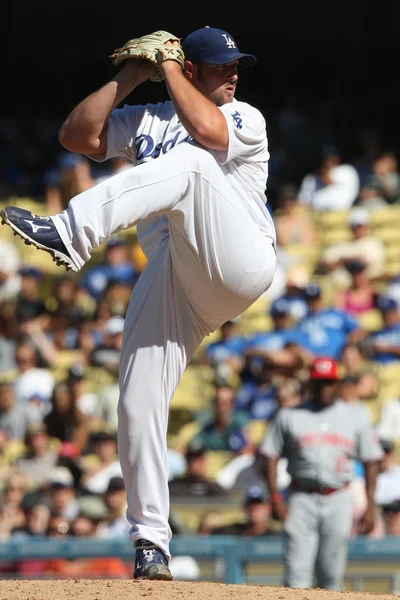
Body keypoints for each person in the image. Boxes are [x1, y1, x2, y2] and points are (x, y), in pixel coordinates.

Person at [0, 26, 277, 580]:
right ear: (193, 70)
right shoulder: (150, 117)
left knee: (196, 163)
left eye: (234, 64)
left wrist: (173, 68)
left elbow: (203, 130)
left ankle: (71, 233)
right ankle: (152, 542)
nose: (234, 72)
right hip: (175, 276)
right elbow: (77, 137)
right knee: (136, 401)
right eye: (222, 65)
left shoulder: (245, 116)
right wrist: (132, 74)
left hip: (239, 258)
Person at [259, 356, 383, 591]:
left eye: (328, 382)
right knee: (296, 577)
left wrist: (370, 506)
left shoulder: (356, 415)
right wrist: (275, 497)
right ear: (310, 384)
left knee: (331, 577)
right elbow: (269, 456)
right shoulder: (289, 415)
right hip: (300, 497)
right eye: (318, 382)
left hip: (339, 498)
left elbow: (371, 461)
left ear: (337, 384)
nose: (323, 388)